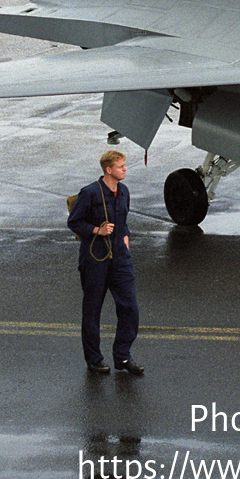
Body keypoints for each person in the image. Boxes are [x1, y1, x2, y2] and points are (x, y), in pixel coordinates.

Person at [67, 149, 144, 376]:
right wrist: (96, 230)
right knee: (92, 311)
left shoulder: (124, 192)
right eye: (121, 166)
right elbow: (74, 221)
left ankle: (122, 356)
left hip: (120, 259)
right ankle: (94, 360)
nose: (125, 169)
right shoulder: (90, 193)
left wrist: (125, 243)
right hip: (95, 259)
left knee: (130, 307)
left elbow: (124, 220)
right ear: (109, 170)